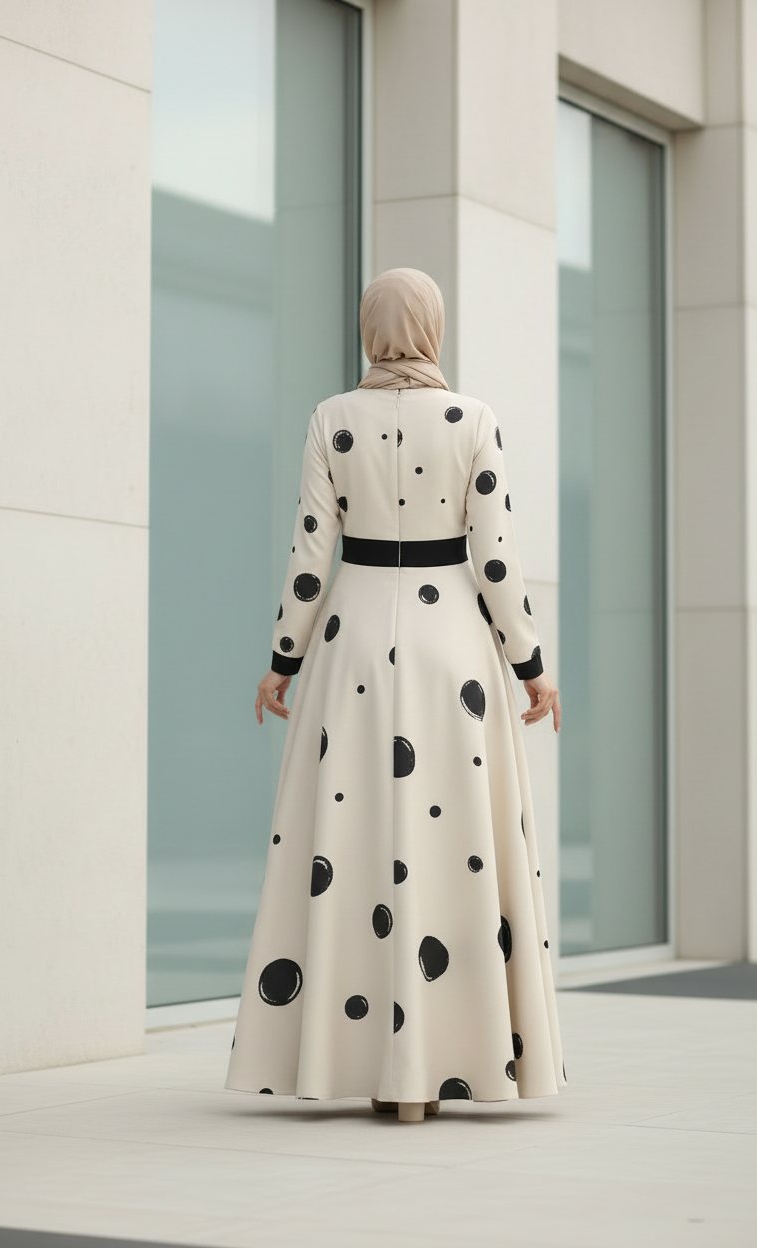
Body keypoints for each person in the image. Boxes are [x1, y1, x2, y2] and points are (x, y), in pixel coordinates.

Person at [225, 267, 566, 1124]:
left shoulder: (332, 418)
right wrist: (530, 665)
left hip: (353, 648)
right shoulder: (473, 420)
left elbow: (311, 554)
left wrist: (282, 659)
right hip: (454, 653)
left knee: (353, 845)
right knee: (453, 851)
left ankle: (373, 1063)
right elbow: (495, 559)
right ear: (433, 326)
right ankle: (442, 1064)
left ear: (368, 328)